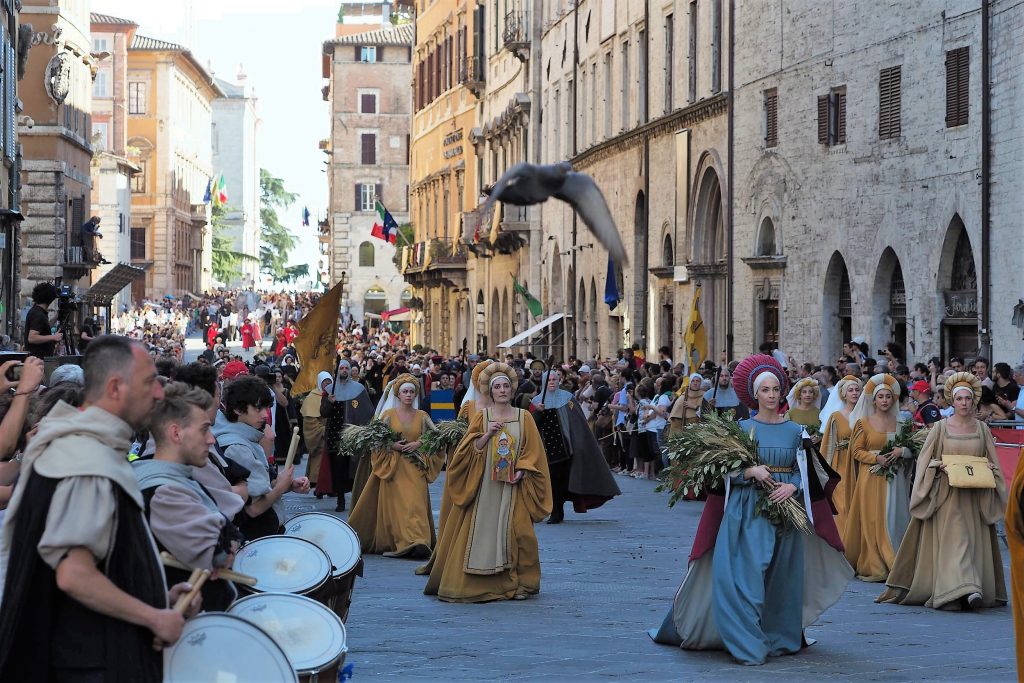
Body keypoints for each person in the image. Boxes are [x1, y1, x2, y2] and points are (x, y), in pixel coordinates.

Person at [0, 336, 199, 681]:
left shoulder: (82, 447)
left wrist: (155, 596)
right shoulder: (85, 458)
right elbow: (74, 574)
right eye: (149, 382)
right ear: (115, 387)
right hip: (89, 666)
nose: (158, 393)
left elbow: (101, 565)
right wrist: (154, 617)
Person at [650, 353, 851, 665]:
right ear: (755, 394)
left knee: (783, 576)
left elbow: (805, 468)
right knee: (746, 575)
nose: (771, 396)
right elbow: (721, 470)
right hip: (747, 510)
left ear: (782, 392)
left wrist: (793, 486)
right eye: (765, 390)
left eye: (775, 390)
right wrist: (749, 472)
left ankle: (779, 636)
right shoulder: (740, 429)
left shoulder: (796, 431)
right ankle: (745, 640)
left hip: (787, 511)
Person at [877, 372, 1007, 610]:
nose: (964, 403)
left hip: (975, 497)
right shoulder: (939, 428)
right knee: (957, 541)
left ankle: (965, 590)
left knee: (971, 540)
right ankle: (963, 590)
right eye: (960, 399)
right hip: (947, 495)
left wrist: (988, 468)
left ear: (974, 400)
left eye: (968, 399)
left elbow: (994, 462)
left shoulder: (982, 429)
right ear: (952, 401)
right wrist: (941, 467)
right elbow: (926, 461)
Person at [424, 362, 552, 602]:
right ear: (490, 392)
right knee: (485, 532)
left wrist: (522, 471)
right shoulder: (482, 417)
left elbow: (533, 451)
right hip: (485, 486)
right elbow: (466, 450)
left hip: (515, 485)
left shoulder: (524, 418)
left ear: (512, 390)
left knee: (522, 534)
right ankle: (489, 581)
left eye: (506, 386)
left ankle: (523, 582)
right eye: (498, 387)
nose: (502, 390)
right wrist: (487, 435)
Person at [134, 382, 244, 611]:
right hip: (193, 629)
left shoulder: (176, 478)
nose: (211, 439)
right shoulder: (163, 491)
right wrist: (225, 545)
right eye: (204, 429)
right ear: (176, 433)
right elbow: (219, 553)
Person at [348, 375, 443, 558]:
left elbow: (436, 436)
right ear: (398, 395)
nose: (408, 395)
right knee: (400, 507)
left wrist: (419, 443)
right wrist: (393, 445)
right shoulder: (388, 415)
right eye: (405, 392)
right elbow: (376, 437)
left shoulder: (423, 416)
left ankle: (420, 541)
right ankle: (404, 542)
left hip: (415, 466)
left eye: (411, 392)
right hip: (394, 467)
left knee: (416, 504)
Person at [214, 375, 308, 538]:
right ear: (238, 409)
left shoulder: (244, 436)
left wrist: (289, 484)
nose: (265, 415)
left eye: (267, 408)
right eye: (258, 409)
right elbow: (253, 509)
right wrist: (280, 487)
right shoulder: (237, 448)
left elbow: (261, 485)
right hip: (254, 538)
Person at [843, 373, 912, 582]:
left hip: (896, 479)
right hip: (870, 478)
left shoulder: (902, 423)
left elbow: (913, 448)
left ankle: (896, 560)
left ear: (893, 399)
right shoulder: (863, 423)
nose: (884, 400)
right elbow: (856, 451)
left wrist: (902, 452)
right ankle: (875, 561)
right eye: (880, 396)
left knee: (894, 517)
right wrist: (877, 459)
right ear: (873, 400)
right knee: (873, 518)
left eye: (888, 397)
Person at [530, 369, 620, 523]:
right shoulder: (536, 402)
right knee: (551, 482)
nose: (552, 382)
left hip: (566, 448)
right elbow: (531, 425)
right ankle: (555, 512)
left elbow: (577, 423)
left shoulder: (568, 399)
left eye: (554, 379)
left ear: (559, 381)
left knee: (562, 482)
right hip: (546, 449)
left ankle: (557, 512)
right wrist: (538, 412)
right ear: (545, 383)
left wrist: (579, 443)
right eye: (549, 380)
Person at [318, 358, 374, 511]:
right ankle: (341, 501)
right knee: (339, 469)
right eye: (341, 368)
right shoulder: (330, 390)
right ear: (338, 371)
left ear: (350, 371)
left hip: (354, 436)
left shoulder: (359, 389)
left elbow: (368, 411)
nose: (343, 370)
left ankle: (359, 501)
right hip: (335, 436)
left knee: (356, 469)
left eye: (346, 368)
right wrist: (328, 402)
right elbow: (323, 413)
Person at [818, 375, 863, 540]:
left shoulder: (865, 416)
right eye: (850, 390)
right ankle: (843, 542)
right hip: (841, 465)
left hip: (860, 465)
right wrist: (824, 472)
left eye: (857, 389)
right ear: (844, 394)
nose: (854, 393)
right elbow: (828, 445)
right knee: (842, 504)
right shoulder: (836, 417)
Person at [301, 371, 333, 496]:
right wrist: (322, 430)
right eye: (325, 381)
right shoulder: (312, 397)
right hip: (320, 435)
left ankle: (331, 488)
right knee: (320, 461)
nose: (327, 384)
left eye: (329, 381)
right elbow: (310, 421)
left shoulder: (335, 395)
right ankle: (319, 487)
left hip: (333, 434)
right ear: (320, 382)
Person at [24, 282, 62, 359]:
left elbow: (42, 327)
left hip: (37, 359)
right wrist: (53, 337)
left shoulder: (37, 311)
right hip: (38, 360)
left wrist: (56, 318)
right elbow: (32, 338)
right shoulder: (38, 314)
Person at [784, 378, 822, 444]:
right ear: (799, 395)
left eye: (810, 392)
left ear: (814, 394)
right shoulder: (790, 414)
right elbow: (785, 434)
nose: (807, 395)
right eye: (804, 392)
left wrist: (819, 437)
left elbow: (825, 432)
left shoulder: (820, 414)